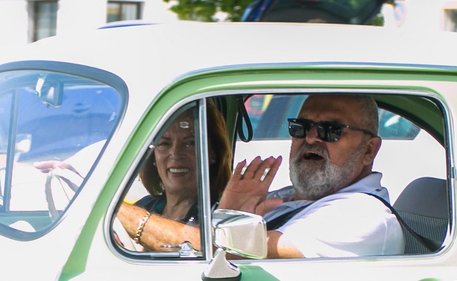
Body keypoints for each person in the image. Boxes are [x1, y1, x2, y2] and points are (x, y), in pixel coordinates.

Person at [117, 93, 403, 259]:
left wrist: (119, 215)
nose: (311, 138)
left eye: (331, 130)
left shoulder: (362, 215)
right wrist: (229, 214)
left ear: (369, 150)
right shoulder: (285, 198)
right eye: (300, 127)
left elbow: (231, 254)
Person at [113, 100, 232, 250]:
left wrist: (114, 209)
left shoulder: (219, 213)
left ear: (213, 153)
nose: (175, 154)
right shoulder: (144, 206)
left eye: (191, 143)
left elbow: (206, 247)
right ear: (153, 158)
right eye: (164, 144)